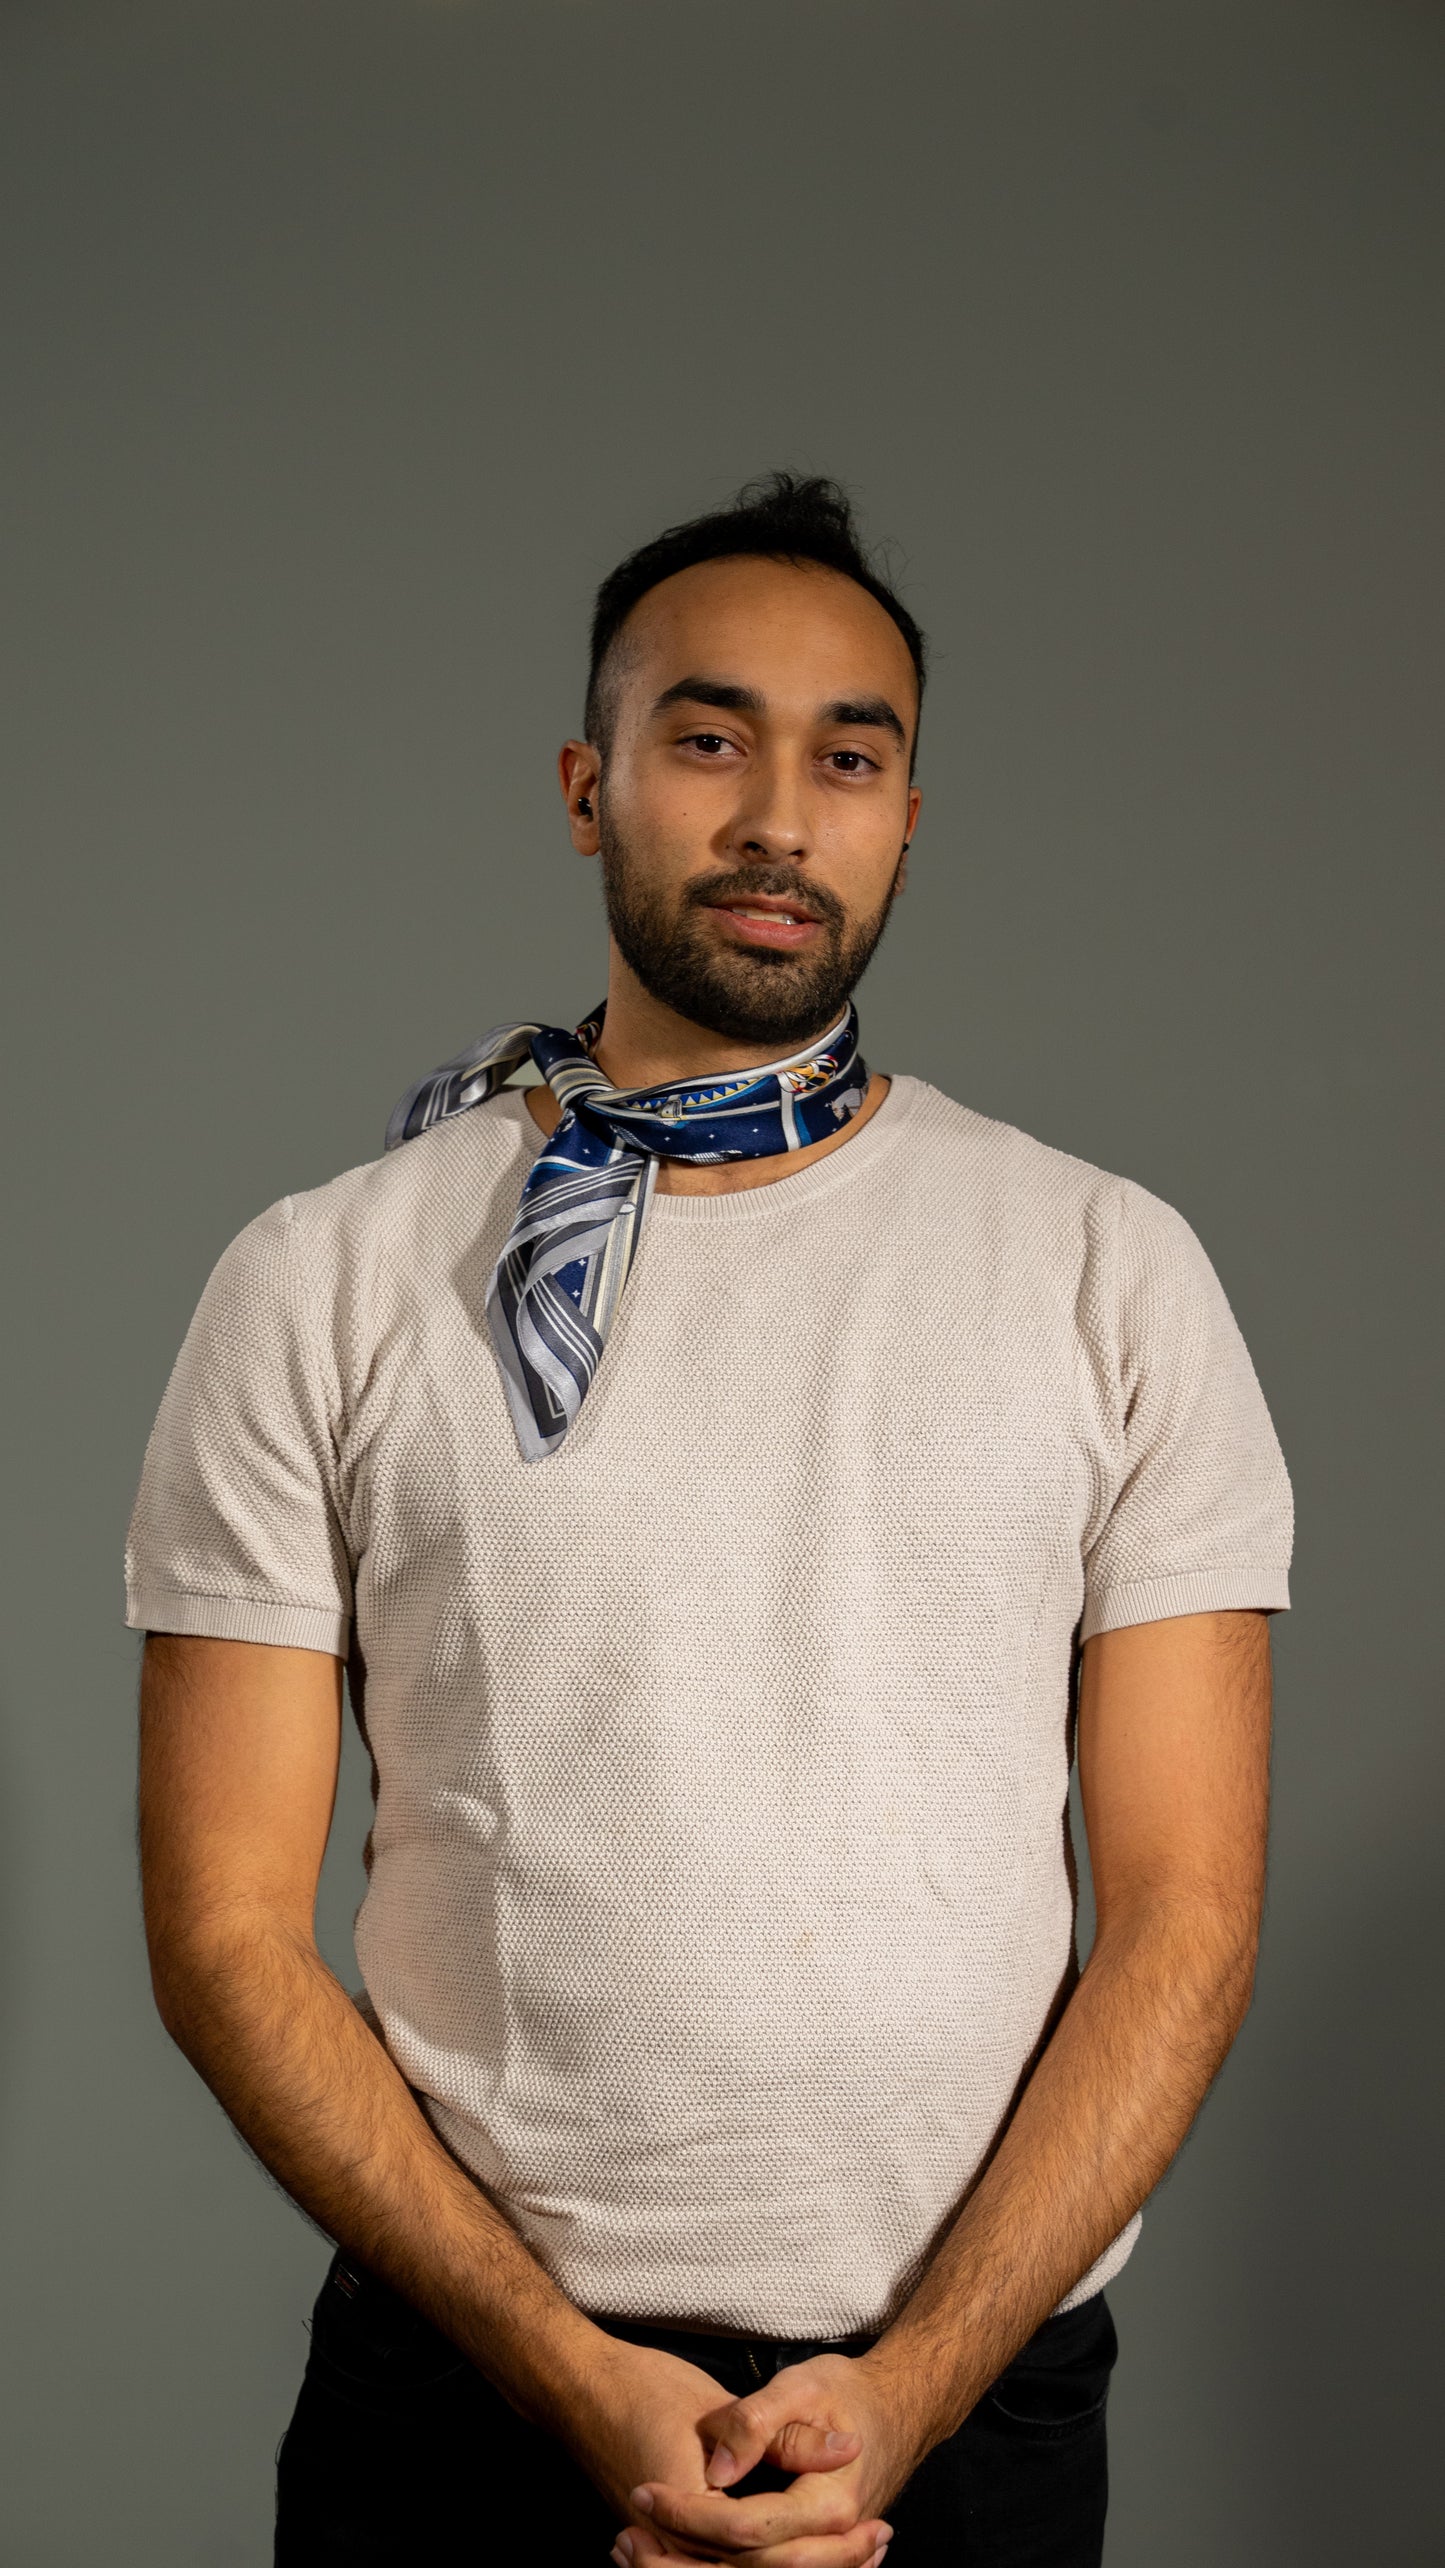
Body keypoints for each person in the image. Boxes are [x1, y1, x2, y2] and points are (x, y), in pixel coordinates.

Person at [129, 472, 1292, 2567]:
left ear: (909, 816)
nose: (778, 814)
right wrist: (571, 2377)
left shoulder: (1111, 1273)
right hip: (471, 2405)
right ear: (591, 787)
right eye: (707, 737)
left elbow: (1187, 1919)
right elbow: (222, 1933)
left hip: (967, 2403)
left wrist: (916, 2390)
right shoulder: (322, 1279)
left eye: (850, 757)